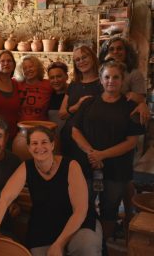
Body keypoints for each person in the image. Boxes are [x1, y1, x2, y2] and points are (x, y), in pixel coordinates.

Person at [0, 126, 102, 256]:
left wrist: (59, 244)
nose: (39, 147)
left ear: (52, 145)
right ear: (29, 148)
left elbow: (80, 211)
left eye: (44, 142)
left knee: (85, 248)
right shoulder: (26, 167)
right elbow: (5, 198)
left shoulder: (71, 166)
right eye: (34, 143)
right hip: (45, 223)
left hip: (77, 222)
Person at [72, 60, 145, 246]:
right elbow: (75, 130)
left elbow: (131, 142)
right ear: (101, 81)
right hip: (88, 164)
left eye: (115, 77)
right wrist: (92, 153)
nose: (111, 81)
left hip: (116, 169)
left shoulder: (131, 107)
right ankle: (86, 244)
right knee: (83, 206)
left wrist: (102, 155)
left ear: (122, 80)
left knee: (110, 208)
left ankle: (103, 245)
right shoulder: (88, 103)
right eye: (107, 77)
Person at [59, 46, 103, 156]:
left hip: (92, 139)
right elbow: (62, 114)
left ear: (92, 58)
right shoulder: (73, 84)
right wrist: (77, 106)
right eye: (77, 60)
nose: (81, 62)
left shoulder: (103, 83)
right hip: (68, 136)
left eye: (84, 57)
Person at [18, 55, 53, 121]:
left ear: (38, 68)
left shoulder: (48, 84)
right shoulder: (17, 84)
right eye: (24, 68)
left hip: (41, 128)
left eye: (31, 66)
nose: (28, 70)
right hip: (21, 128)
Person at [47, 61, 68, 135]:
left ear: (66, 76)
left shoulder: (73, 93)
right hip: (53, 141)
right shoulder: (48, 95)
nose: (55, 80)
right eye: (52, 78)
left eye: (59, 76)